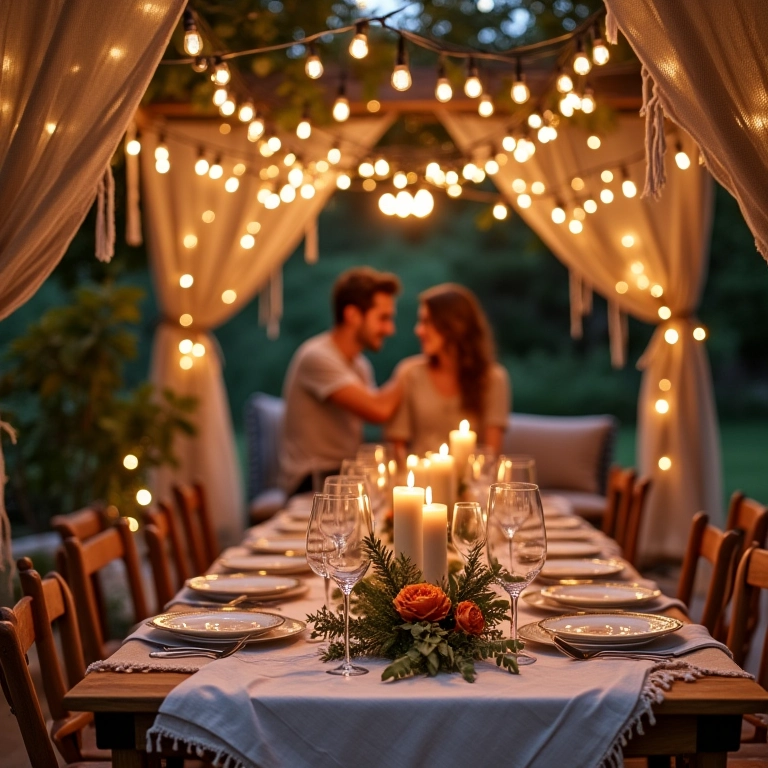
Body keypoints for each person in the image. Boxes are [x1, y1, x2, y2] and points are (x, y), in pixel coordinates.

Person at [280, 267, 403, 495]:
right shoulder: (316, 356)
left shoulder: (360, 365)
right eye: (383, 318)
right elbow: (379, 410)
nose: (390, 329)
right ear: (353, 315)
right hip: (313, 483)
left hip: (344, 475)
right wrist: (408, 372)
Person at [386, 283, 510, 459]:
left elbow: (491, 455)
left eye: (427, 321)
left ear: (454, 325)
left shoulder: (493, 378)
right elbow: (397, 446)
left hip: (470, 484)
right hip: (419, 483)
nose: (418, 330)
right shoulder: (410, 373)